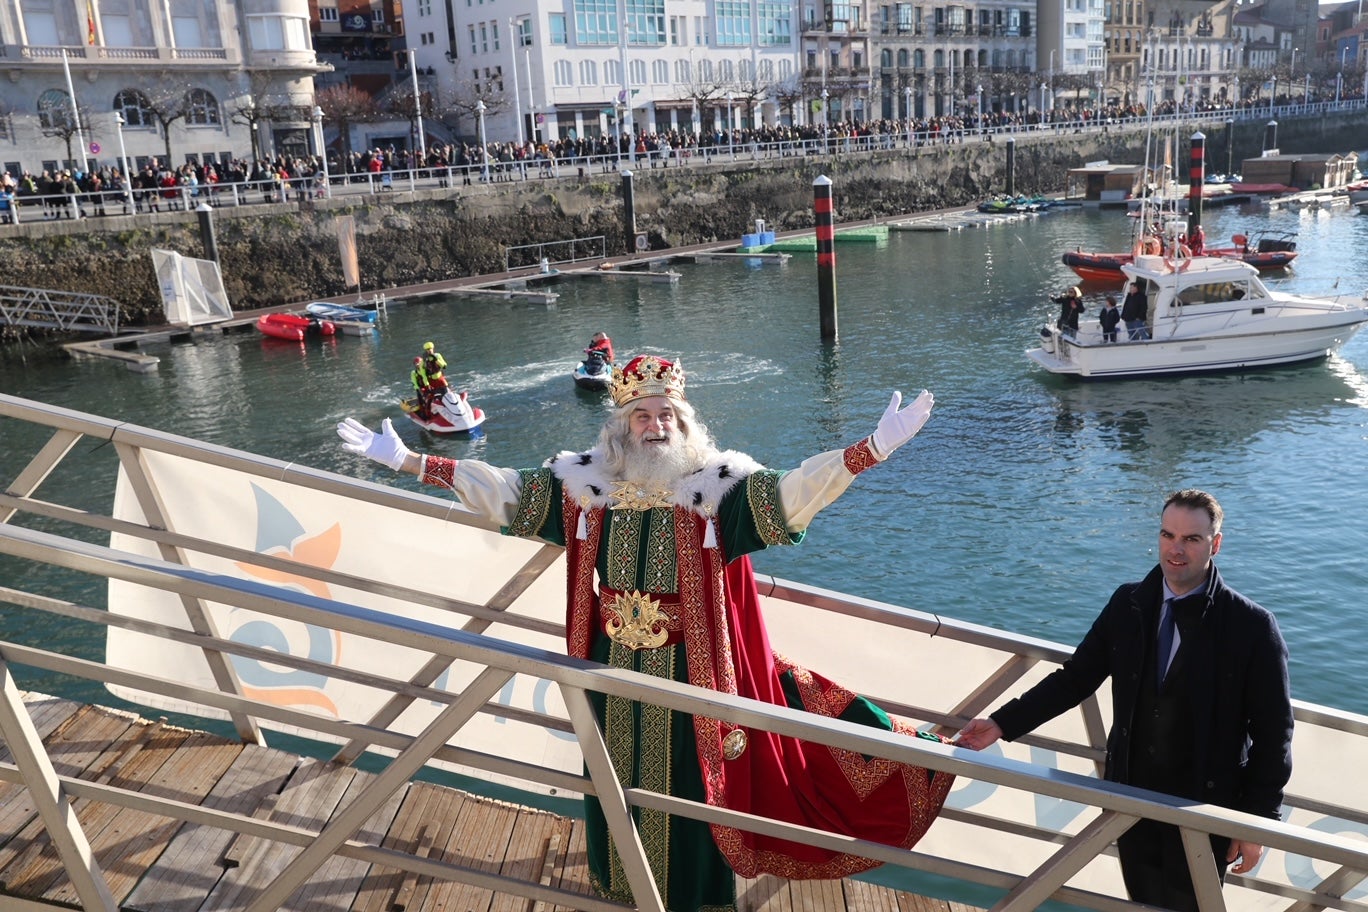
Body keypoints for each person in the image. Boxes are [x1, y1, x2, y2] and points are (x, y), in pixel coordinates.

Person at [337, 355, 955, 912]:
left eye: (667, 415)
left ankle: (691, 898)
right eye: (642, 416)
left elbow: (796, 493)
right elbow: (504, 491)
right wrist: (412, 461)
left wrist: (869, 450)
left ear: (686, 426)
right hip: (609, 665)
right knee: (612, 770)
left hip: (695, 668)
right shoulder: (587, 489)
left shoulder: (718, 490)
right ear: (621, 427)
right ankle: (623, 885)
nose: (655, 426)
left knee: (693, 782)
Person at [956, 489, 1293, 912]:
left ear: (1215, 544)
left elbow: (1274, 732)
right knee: (1140, 903)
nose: (1176, 548)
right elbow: (1075, 678)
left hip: (1206, 807)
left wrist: (1256, 822)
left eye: (1191, 539)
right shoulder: (1128, 603)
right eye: (1168, 534)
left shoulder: (1253, 627)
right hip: (1130, 794)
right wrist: (1003, 723)